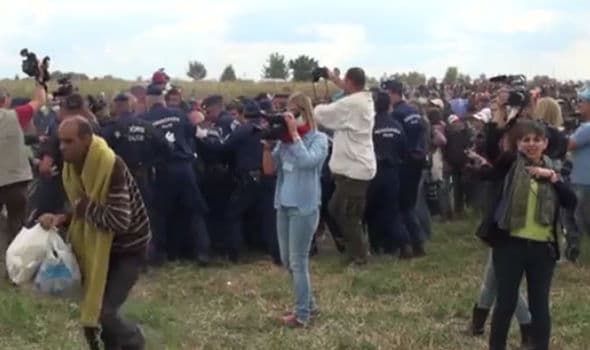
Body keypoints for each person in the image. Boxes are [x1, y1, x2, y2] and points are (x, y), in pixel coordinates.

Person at [38, 116, 149, 350]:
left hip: (128, 248)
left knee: (104, 312)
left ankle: (134, 340)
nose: (62, 148)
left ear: (87, 140)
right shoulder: (71, 167)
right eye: (60, 142)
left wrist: (83, 207)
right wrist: (61, 218)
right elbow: (78, 206)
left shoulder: (110, 166)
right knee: (92, 318)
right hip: (98, 248)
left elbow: (119, 220)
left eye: (69, 142)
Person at [475, 119, 576, 350]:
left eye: (536, 140)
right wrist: (498, 121)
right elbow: (491, 161)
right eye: (526, 140)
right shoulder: (510, 162)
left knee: (540, 306)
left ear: (545, 143)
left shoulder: (556, 168)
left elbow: (571, 201)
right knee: (505, 304)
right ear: (518, 143)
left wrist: (551, 177)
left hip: (543, 249)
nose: (531, 144)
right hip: (509, 245)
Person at [262, 92, 328, 327]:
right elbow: (270, 170)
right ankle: (309, 306)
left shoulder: (319, 140)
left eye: (293, 114)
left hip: (305, 206)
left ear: (304, 113)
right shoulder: (285, 141)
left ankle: (302, 316)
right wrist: (268, 147)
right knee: (287, 261)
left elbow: (308, 162)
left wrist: (293, 135)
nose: (289, 119)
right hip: (284, 204)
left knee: (298, 262)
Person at [197, 99, 279, 264]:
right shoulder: (267, 129)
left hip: (249, 178)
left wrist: (203, 138)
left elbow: (222, 148)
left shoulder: (244, 130)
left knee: (233, 214)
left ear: (243, 115)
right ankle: (275, 253)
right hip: (269, 176)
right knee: (269, 216)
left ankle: (234, 253)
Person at [140, 84, 210, 266]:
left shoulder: (144, 119)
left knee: (161, 213)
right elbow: (195, 134)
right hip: (185, 168)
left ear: (148, 100)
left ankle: (162, 254)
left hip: (163, 170)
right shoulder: (179, 114)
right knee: (195, 210)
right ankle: (202, 252)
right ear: (163, 100)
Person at [313, 67, 376, 266]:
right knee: (336, 209)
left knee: (348, 215)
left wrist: (314, 107)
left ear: (350, 82)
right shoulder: (364, 98)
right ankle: (354, 249)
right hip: (354, 167)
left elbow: (323, 114)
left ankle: (360, 257)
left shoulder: (352, 104)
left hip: (355, 169)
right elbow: (350, 90)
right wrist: (331, 76)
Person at [0, 81, 46, 277]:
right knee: (16, 226)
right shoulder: (15, 115)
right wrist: (39, 80)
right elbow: (40, 100)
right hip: (16, 183)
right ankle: (14, 271)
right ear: (5, 100)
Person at [383, 79, 428, 257]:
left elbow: (396, 142)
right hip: (417, 161)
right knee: (409, 205)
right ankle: (418, 243)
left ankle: (408, 245)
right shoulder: (414, 112)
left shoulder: (397, 115)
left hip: (404, 164)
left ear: (393, 93)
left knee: (401, 207)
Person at [363, 90, 408, 256]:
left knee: (372, 209)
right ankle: (399, 244)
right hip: (393, 173)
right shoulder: (397, 125)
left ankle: (377, 246)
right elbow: (404, 150)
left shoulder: (369, 125)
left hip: (374, 173)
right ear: (388, 106)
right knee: (391, 209)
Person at [567, 83, 590, 257]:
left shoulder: (587, 129)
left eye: (582, 101)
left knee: (581, 219)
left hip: (584, 180)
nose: (579, 104)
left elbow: (569, 145)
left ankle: (577, 252)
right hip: (580, 179)